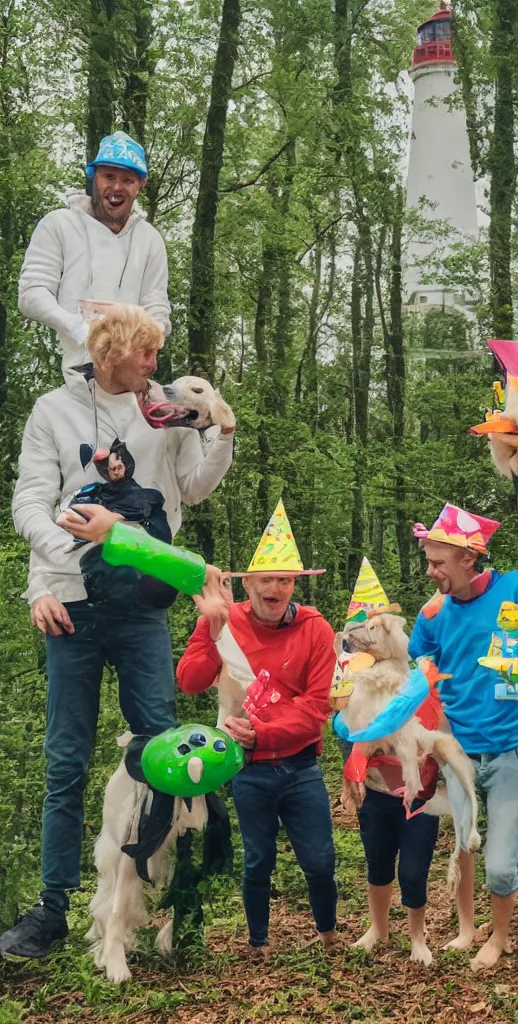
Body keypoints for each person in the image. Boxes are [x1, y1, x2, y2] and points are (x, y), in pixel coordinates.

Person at [0, 303, 233, 959]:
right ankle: (50, 914)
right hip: (70, 605)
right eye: (147, 354)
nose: (157, 366)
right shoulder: (53, 412)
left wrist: (224, 434)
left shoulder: (166, 411)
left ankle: (167, 906)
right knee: (65, 762)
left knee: (162, 756)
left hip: (142, 605)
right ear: (111, 353)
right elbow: (34, 502)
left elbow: (192, 486)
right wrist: (42, 585)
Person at [176, 501, 339, 953]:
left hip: (301, 766)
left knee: (320, 861)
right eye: (266, 579)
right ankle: (258, 943)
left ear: (294, 586)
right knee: (258, 860)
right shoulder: (225, 621)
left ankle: (328, 936)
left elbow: (316, 706)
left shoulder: (316, 629)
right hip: (247, 767)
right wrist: (212, 628)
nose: (276, 588)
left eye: (285, 580)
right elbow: (189, 682)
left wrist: (265, 732)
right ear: (247, 584)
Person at [407, 503, 518, 971]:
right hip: (457, 755)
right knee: (465, 845)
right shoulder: (433, 614)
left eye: (438, 562)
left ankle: (499, 937)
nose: (431, 571)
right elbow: (418, 671)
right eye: (428, 561)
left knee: (500, 864)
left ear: (469, 558)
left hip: (508, 752)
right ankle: (468, 929)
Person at [337, 558, 443, 965]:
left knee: (414, 870)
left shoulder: (413, 680)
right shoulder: (354, 682)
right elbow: (350, 730)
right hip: (378, 792)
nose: (364, 638)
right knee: (377, 862)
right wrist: (353, 770)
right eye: (362, 631)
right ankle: (378, 929)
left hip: (420, 793)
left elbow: (429, 729)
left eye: (373, 631)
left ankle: (418, 936)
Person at [19, 131, 170, 367]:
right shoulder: (58, 224)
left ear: (141, 185)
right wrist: (76, 327)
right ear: (94, 177)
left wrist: (155, 333)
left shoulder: (150, 239)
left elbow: (156, 303)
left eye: (128, 180)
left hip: (127, 374)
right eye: (109, 176)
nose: (117, 187)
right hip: (68, 371)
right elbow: (31, 293)